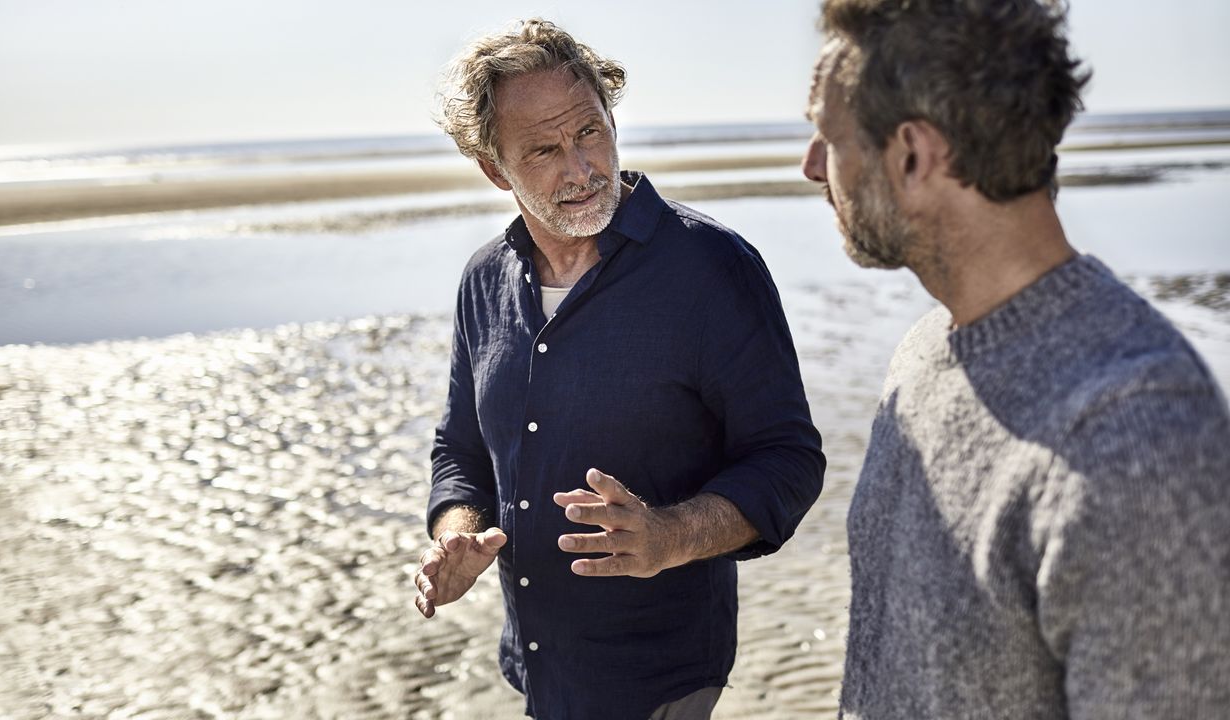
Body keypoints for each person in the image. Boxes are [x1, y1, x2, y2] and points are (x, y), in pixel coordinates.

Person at [801, 1, 1230, 717]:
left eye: (827, 135)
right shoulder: (921, 354)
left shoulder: (1137, 441)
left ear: (913, 154)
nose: (812, 166)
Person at [411, 18, 826, 720]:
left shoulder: (712, 268)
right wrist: (456, 533)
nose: (580, 169)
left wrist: (671, 535)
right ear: (493, 168)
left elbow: (787, 460)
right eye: (543, 149)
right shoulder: (482, 281)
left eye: (590, 132)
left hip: (663, 676)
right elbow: (461, 452)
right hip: (538, 668)